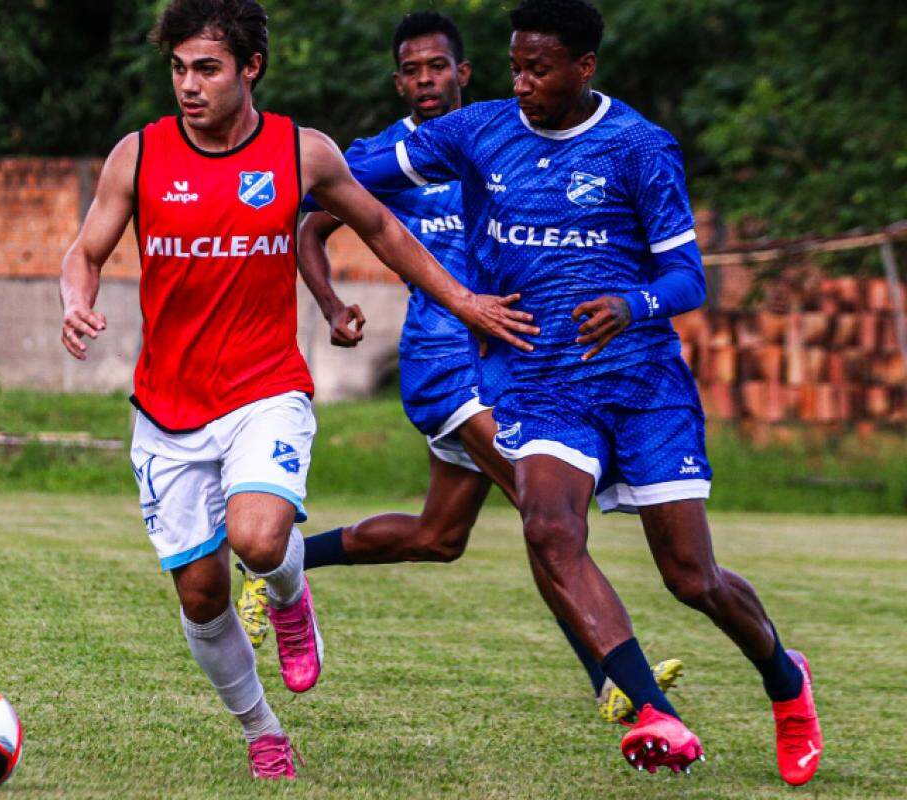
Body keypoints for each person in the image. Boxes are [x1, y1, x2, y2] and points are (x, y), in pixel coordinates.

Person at [331, 0, 822, 783]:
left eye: (540, 69)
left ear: (584, 68)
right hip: (543, 381)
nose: (522, 83)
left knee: (692, 579)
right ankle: (650, 711)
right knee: (549, 527)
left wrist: (633, 305)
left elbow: (687, 278)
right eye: (515, 65)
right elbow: (340, 178)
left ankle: (784, 680)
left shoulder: (638, 148)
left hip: (642, 384)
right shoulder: (478, 131)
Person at [58, 0, 534, 781]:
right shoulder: (137, 157)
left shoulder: (299, 153)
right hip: (167, 409)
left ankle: (287, 592)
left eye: (206, 68)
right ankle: (262, 729)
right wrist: (75, 300)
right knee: (203, 596)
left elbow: (382, 229)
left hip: (265, 388)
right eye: (177, 68)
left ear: (250, 68)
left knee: (257, 538)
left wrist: (462, 300)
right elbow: (86, 250)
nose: (188, 85)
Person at [235, 9, 684, 727]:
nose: (424, 81)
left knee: (438, 538)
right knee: (544, 512)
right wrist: (329, 304)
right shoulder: (384, 157)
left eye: (436, 67)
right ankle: (615, 681)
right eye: (410, 71)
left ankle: (280, 560)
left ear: (463, 73)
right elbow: (310, 222)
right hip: (445, 362)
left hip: (507, 359)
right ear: (398, 81)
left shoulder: (494, 140)